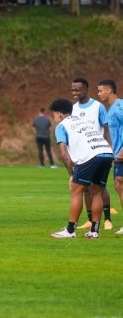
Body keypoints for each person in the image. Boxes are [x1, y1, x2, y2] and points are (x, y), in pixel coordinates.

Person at [50, 98, 113, 239]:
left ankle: (70, 231)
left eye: (53, 115)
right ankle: (94, 231)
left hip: (91, 156)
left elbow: (64, 154)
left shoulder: (62, 126)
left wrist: (71, 175)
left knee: (76, 191)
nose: (54, 119)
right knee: (96, 192)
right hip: (106, 153)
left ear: (59, 114)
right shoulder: (82, 121)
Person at [71, 77, 114, 230]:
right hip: (83, 153)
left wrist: (111, 148)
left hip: (99, 151)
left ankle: (108, 219)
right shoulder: (74, 108)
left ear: (86, 90)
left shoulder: (98, 107)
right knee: (85, 188)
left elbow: (107, 129)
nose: (74, 93)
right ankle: (91, 221)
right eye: (73, 90)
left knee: (99, 188)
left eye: (77, 90)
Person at [97, 79, 123, 235]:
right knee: (119, 184)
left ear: (110, 91)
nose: (99, 94)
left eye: (100, 91)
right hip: (118, 154)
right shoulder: (111, 110)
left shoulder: (120, 107)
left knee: (120, 184)